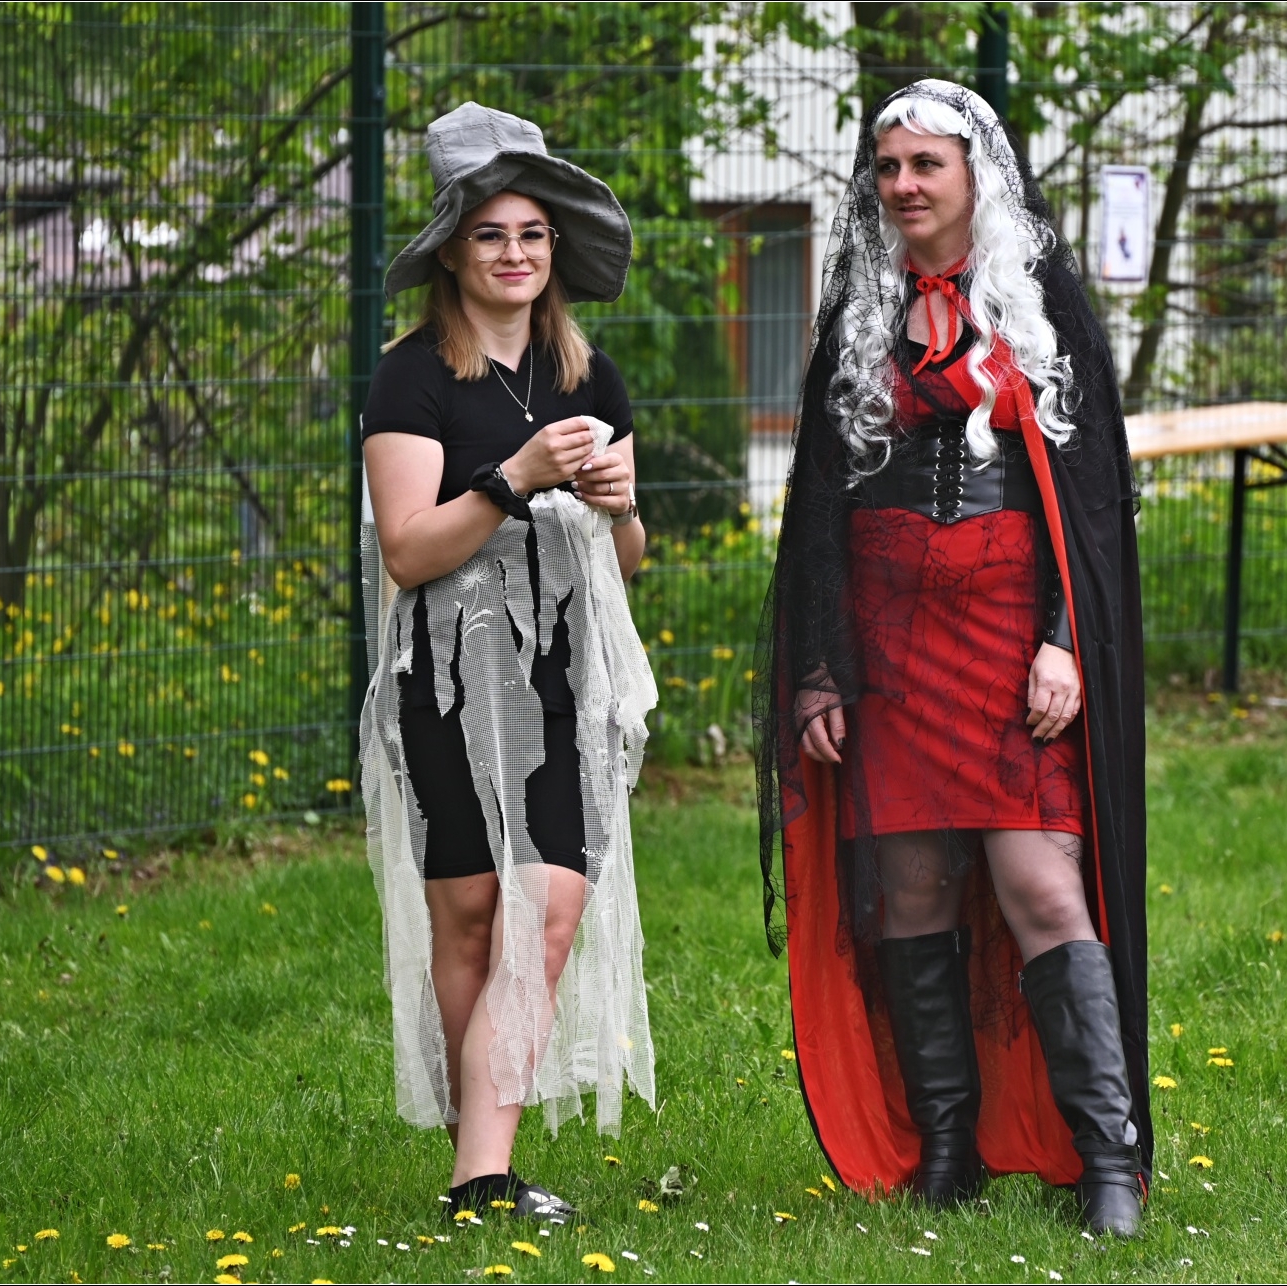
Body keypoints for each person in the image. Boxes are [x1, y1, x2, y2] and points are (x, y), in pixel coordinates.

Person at [754, 80, 1150, 1236]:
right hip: (887, 648)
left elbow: (1093, 503)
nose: (903, 185)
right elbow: (818, 507)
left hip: (1011, 643)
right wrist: (819, 667)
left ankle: (1107, 1157)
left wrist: (1065, 643)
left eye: (925, 164)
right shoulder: (860, 309)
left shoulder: (1046, 306)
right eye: (887, 167)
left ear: (977, 174)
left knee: (1040, 883)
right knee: (913, 885)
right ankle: (944, 1146)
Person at [358, 102, 657, 1222]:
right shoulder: (412, 378)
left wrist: (619, 509)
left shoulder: (589, 375)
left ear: (555, 248)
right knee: (473, 914)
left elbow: (624, 559)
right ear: (452, 251)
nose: (515, 254)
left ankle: (481, 1174)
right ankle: (477, 1156)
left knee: (548, 904)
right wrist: (515, 477)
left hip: (564, 673)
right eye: (491, 234)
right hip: (444, 671)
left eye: (532, 234)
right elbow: (406, 550)